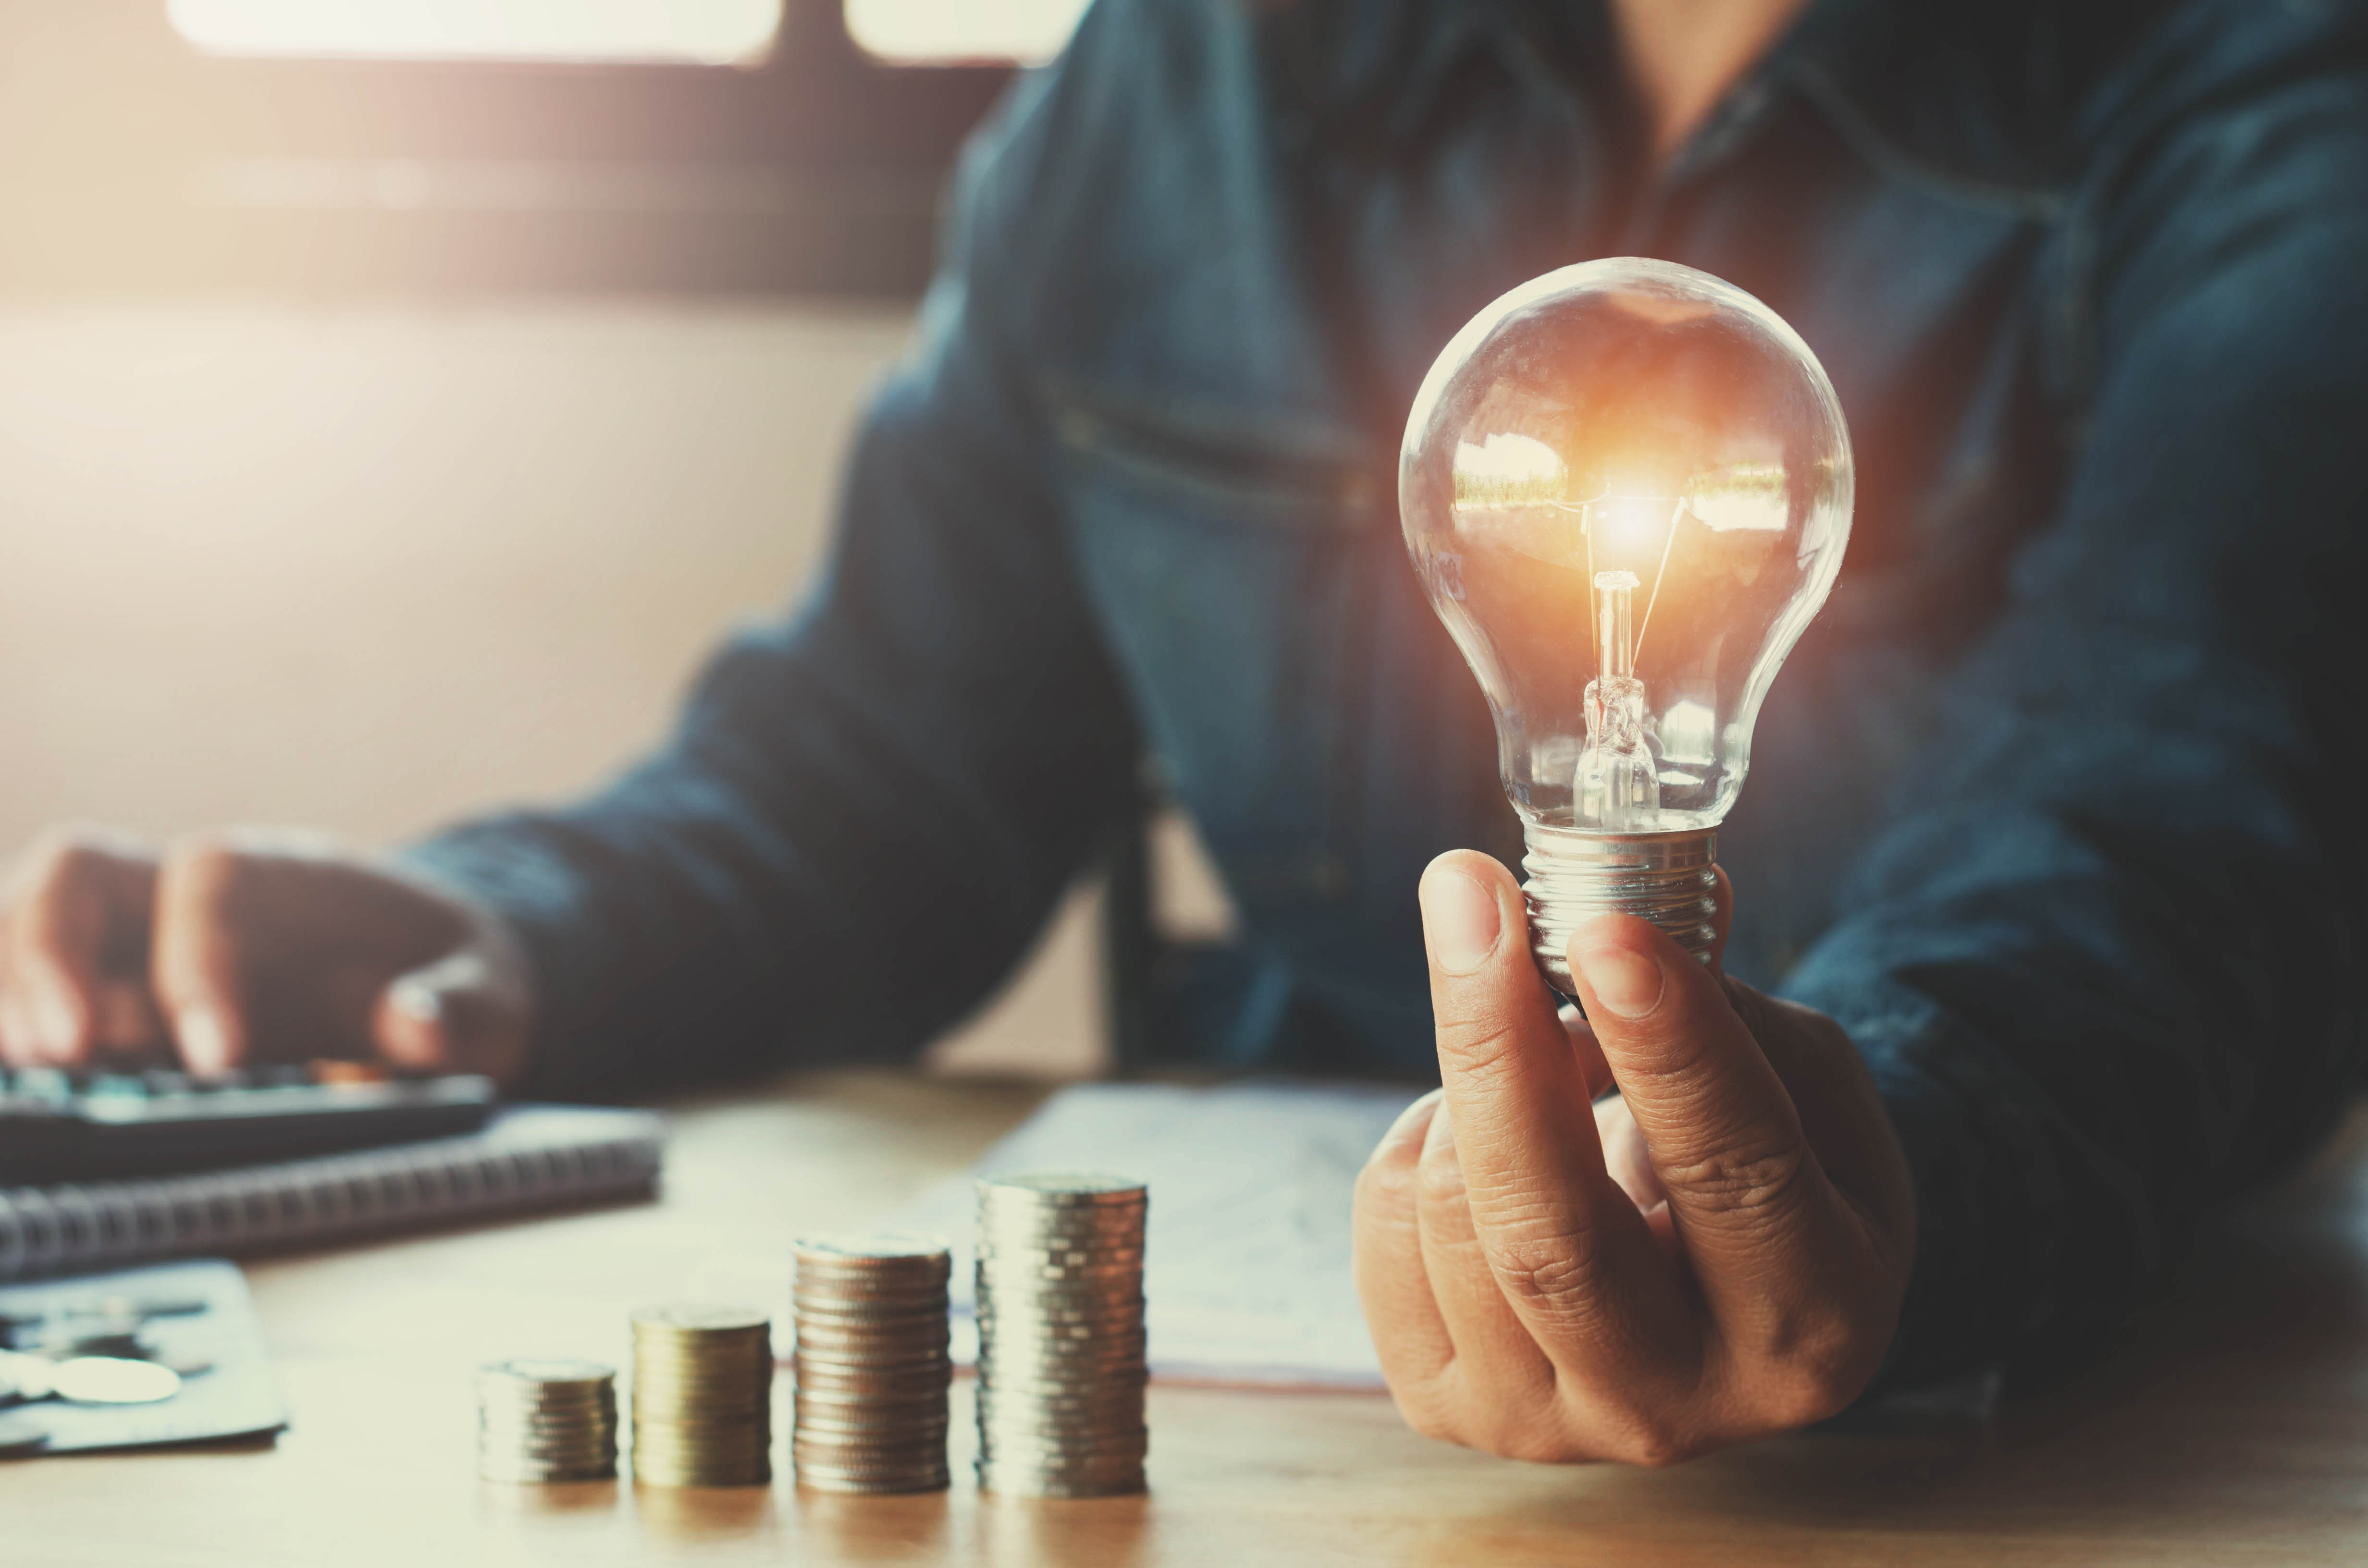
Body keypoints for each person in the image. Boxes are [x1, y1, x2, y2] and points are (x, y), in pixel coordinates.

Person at [3, 0, 2364, 1464]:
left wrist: (1867, 1161)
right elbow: (887, 767)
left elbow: (2178, 819)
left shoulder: (2265, 77)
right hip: (1273, 1429)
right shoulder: (1194, 69)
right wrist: (485, 934)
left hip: (2016, 1426)